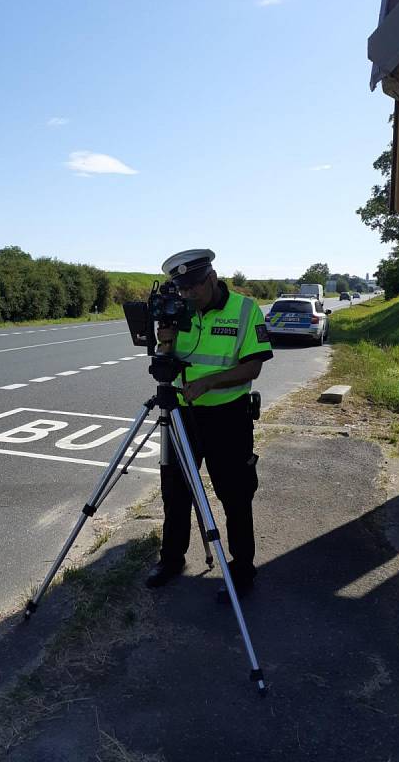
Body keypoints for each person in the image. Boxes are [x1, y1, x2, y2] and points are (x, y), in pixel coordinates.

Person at [145, 249, 273, 602]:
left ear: (212, 278)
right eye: (181, 289)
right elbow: (165, 359)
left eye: (194, 288)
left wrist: (209, 382)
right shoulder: (178, 308)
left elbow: (253, 367)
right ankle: (171, 561)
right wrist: (166, 339)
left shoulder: (245, 310)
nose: (188, 295)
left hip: (228, 417)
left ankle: (242, 570)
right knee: (175, 491)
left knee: (234, 494)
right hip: (182, 415)